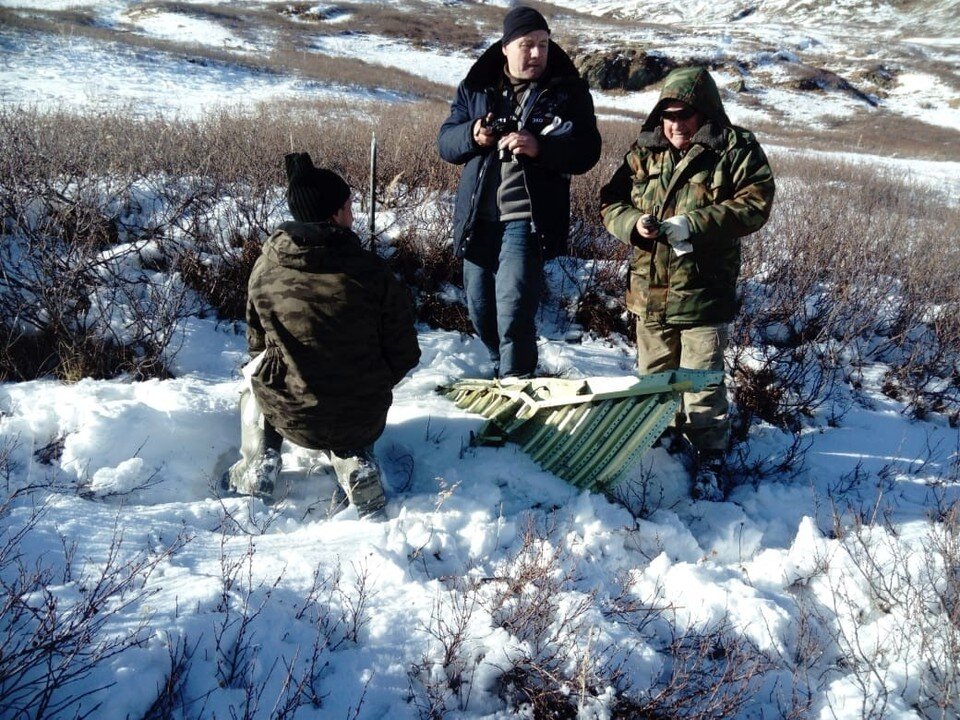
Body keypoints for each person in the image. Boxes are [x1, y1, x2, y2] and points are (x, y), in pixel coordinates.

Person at [599, 66, 775, 500]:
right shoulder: (645, 151)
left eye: (685, 114)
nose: (676, 124)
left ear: (705, 113)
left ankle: (710, 460)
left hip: (703, 293)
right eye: (668, 114)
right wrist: (633, 225)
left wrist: (694, 224)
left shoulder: (735, 148)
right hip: (649, 292)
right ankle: (657, 454)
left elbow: (756, 202)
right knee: (653, 384)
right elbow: (610, 202)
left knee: (702, 384)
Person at [223, 152, 421, 519]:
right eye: (348, 206)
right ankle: (355, 464)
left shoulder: (264, 269)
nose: (353, 214)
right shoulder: (373, 273)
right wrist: (368, 380)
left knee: (252, 383)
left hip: (290, 415)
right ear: (333, 214)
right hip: (361, 414)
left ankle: (259, 462)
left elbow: (256, 350)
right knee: (347, 420)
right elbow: (406, 353)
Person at [437, 5, 601, 379]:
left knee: (513, 306)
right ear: (506, 47)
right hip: (478, 216)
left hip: (526, 217)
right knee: (479, 304)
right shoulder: (475, 88)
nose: (537, 53)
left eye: (543, 45)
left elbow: (587, 151)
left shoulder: (567, 91)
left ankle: (517, 380)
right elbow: (445, 143)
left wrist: (540, 149)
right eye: (527, 45)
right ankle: (500, 363)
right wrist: (474, 134)